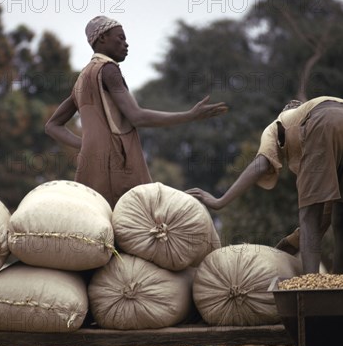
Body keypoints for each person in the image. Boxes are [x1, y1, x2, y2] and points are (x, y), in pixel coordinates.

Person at [187, 96, 343, 274]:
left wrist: (219, 201)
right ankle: (342, 284)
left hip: (324, 121)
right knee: (342, 217)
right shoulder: (313, 110)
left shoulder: (278, 124)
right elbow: (328, 214)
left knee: (309, 217)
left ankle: (310, 287)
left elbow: (260, 164)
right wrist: (292, 242)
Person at [45, 15, 228, 208]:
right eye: (121, 38)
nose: (126, 44)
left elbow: (52, 126)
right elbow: (137, 117)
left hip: (90, 169)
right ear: (102, 39)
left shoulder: (82, 80)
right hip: (118, 167)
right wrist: (189, 115)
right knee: (144, 218)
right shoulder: (108, 70)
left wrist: (87, 146)